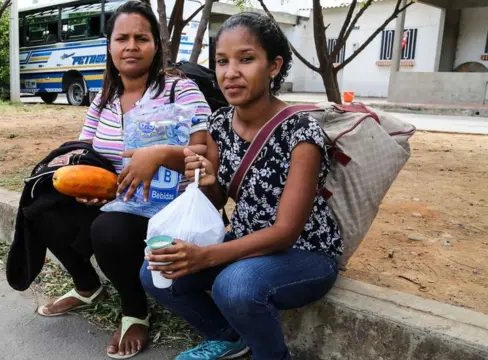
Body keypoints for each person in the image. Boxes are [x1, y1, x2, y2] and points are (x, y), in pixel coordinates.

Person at [141, 12, 344, 360]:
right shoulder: (219, 124)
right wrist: (204, 183)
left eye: (246, 59)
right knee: (156, 270)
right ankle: (230, 336)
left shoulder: (301, 132)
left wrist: (205, 256)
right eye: (222, 62)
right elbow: (219, 196)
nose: (230, 72)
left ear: (274, 66)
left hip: (305, 253)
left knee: (234, 286)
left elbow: (284, 232)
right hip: (247, 241)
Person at [35, 1, 211, 359]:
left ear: (155, 46)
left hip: (167, 209)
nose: (131, 46)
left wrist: (160, 155)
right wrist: (82, 179)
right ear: (110, 47)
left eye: (141, 38)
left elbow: (203, 159)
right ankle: (87, 287)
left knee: (108, 229)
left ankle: (135, 310)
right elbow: (86, 150)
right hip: (115, 199)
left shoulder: (182, 91)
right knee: (42, 206)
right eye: (122, 38)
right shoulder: (104, 99)